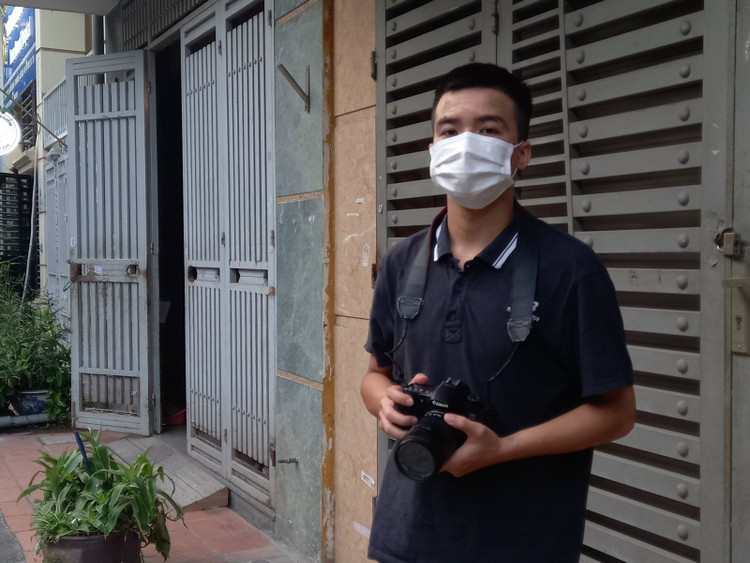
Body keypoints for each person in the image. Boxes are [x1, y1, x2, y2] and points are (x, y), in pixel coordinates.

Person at [360, 63, 636, 562]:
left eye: (488, 130)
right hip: (405, 537)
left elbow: (617, 413)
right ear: (432, 150)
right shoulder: (402, 263)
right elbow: (374, 375)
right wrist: (386, 403)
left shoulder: (571, 269)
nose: (466, 143)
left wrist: (503, 449)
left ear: (520, 154)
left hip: (523, 541)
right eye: (450, 131)